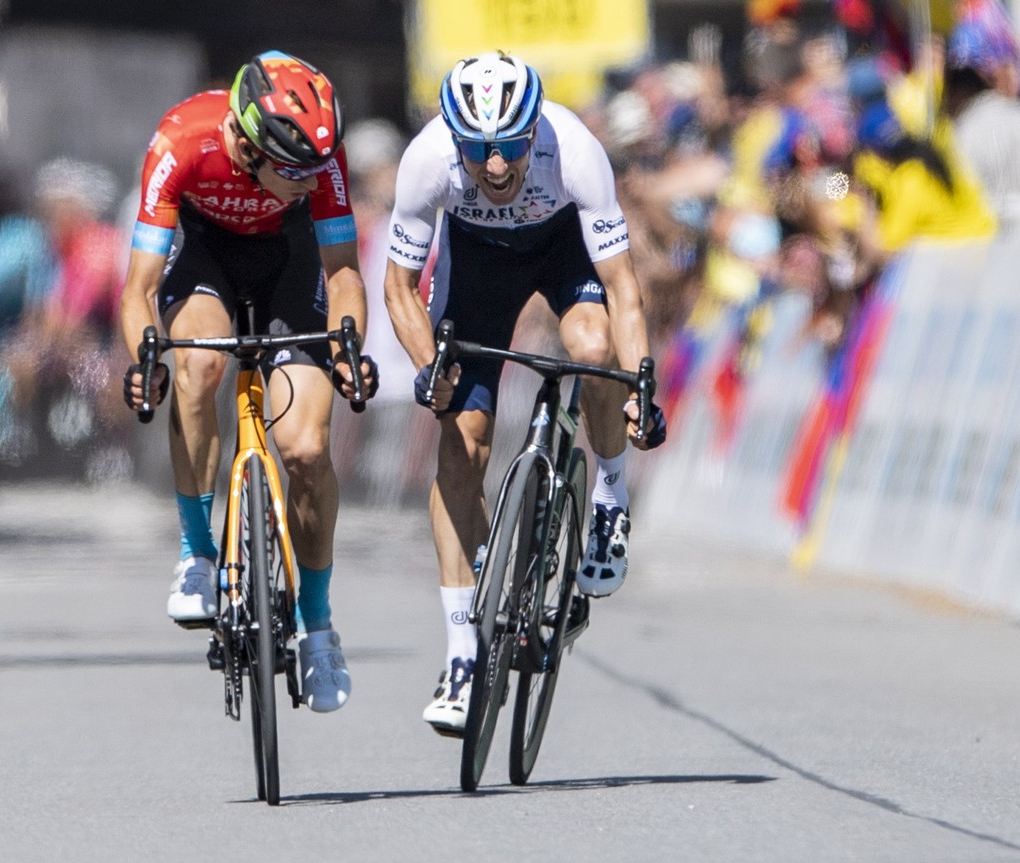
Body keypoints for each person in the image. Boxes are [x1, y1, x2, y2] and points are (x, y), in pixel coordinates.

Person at [381, 52, 667, 736]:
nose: (499, 165)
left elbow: (623, 287)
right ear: (455, 138)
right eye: (480, 150)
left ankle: (607, 498)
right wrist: (431, 367)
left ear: (532, 132)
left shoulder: (572, 149)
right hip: (475, 263)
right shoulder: (427, 162)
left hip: (561, 248)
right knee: (462, 442)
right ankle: (459, 656)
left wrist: (643, 381)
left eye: (510, 146)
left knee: (594, 351)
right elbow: (398, 287)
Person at [118, 50, 379, 714]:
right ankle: (197, 551)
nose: (313, 179)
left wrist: (348, 348)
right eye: (296, 173)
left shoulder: (318, 156)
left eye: (319, 169)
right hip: (207, 255)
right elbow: (139, 289)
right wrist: (146, 360)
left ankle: (317, 626)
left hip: (290, 264)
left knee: (306, 450)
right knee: (198, 363)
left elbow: (344, 273)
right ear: (248, 142)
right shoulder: (183, 138)